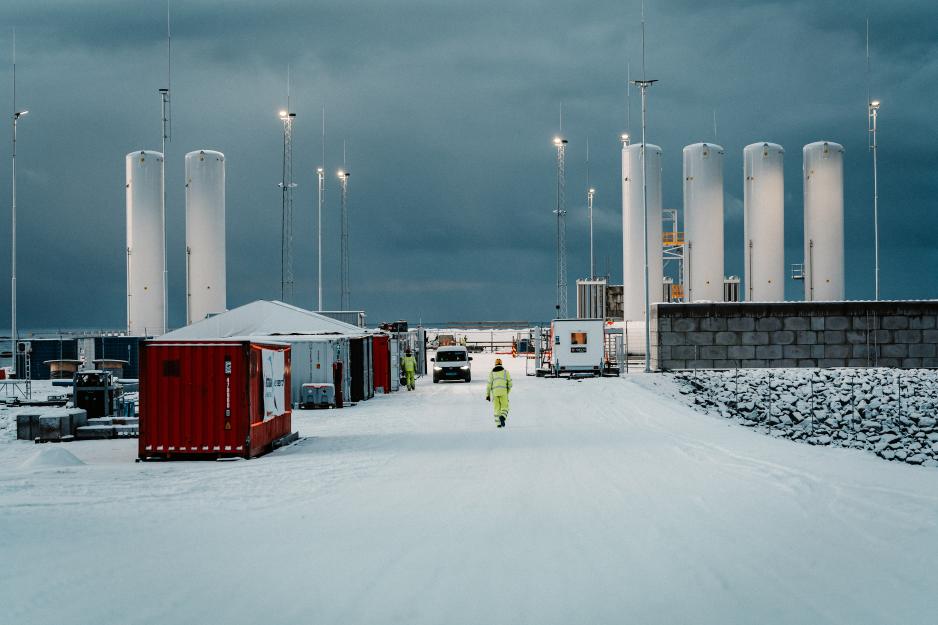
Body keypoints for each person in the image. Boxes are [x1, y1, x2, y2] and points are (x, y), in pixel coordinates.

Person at [485, 357, 512, 428]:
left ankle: (498, 424)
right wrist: (507, 392)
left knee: (496, 408)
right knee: (505, 407)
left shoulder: (492, 373)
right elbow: (510, 384)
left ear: (495, 364)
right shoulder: (506, 372)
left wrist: (488, 395)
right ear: (501, 364)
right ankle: (503, 417)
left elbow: (488, 385)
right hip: (503, 393)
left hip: (495, 393)